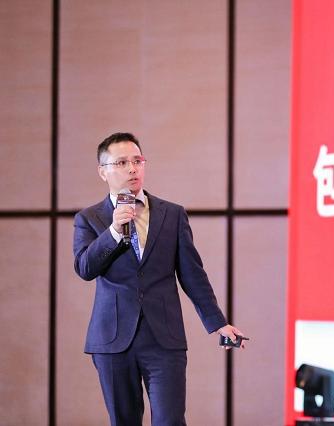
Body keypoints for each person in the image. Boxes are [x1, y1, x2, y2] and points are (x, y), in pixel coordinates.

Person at [73, 132, 245, 425]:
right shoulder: (89, 219)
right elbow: (85, 268)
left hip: (164, 339)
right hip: (113, 340)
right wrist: (114, 231)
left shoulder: (172, 214)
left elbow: (192, 273)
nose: (132, 169)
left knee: (170, 420)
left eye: (137, 161)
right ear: (103, 171)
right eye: (122, 162)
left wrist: (218, 323)